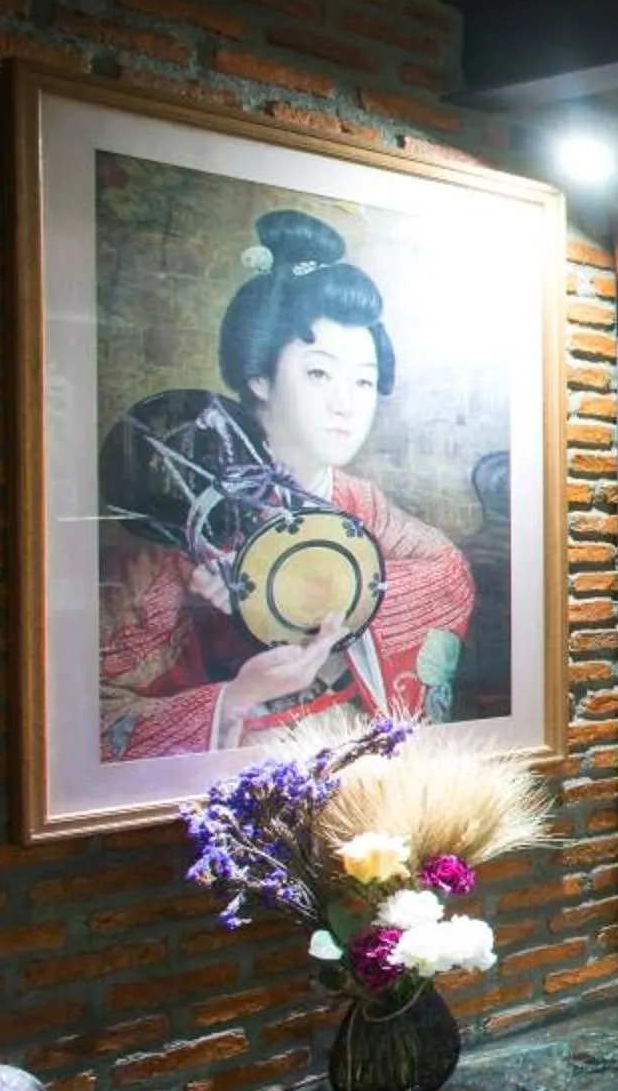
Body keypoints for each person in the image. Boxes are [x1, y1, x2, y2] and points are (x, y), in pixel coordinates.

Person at [98, 209, 475, 759]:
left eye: (364, 380)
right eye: (319, 372)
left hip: (359, 760)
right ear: (260, 378)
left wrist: (323, 600)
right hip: (247, 774)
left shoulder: (358, 501)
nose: (347, 403)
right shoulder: (184, 511)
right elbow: (104, 708)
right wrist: (237, 693)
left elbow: (447, 574)